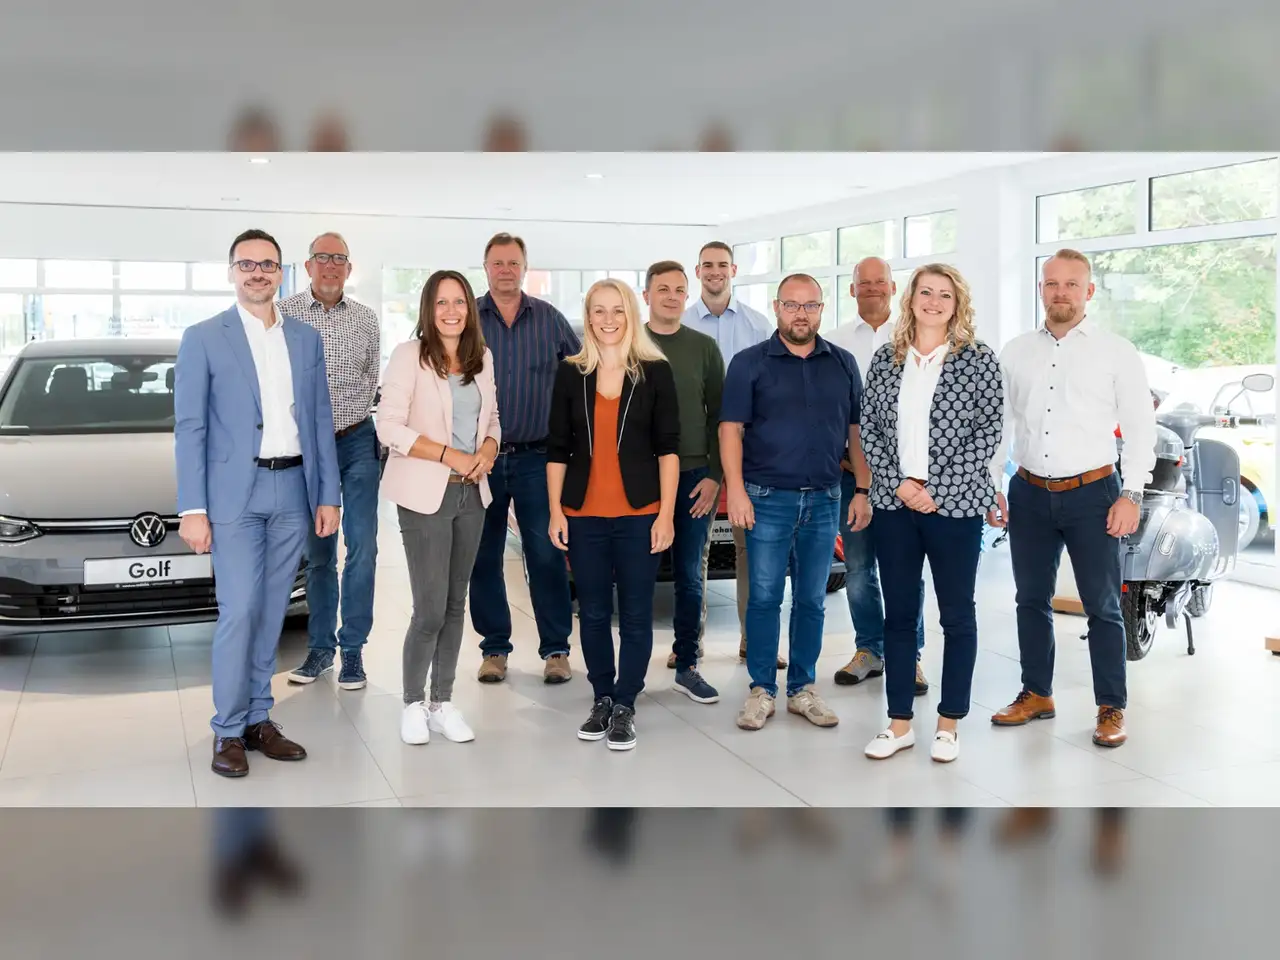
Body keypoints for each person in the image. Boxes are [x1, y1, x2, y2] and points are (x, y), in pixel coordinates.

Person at [175, 228, 340, 779]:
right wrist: (192, 508)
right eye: (247, 264)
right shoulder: (204, 338)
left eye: (267, 264)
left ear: (280, 273)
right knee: (240, 610)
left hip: (292, 489)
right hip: (234, 495)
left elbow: (319, 421)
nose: (257, 273)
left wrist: (328, 495)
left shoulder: (306, 339)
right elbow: (190, 428)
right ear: (231, 272)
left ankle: (258, 720)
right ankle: (227, 728)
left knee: (273, 612)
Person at [987, 248, 1156, 748]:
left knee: (1102, 605)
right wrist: (991, 484)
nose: (1060, 292)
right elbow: (1000, 424)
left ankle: (1111, 706)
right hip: (1029, 493)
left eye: (1071, 284)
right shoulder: (1016, 351)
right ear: (1041, 289)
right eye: (1052, 283)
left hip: (1094, 495)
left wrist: (1132, 493)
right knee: (1029, 599)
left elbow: (1140, 428)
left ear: (1089, 291)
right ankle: (1037, 693)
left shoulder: (1115, 351)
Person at [858, 265, 1004, 762]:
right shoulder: (887, 358)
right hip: (894, 505)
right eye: (926, 292)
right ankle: (899, 723)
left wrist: (935, 489)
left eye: (945, 295)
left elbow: (988, 432)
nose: (934, 301)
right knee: (899, 615)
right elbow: (869, 429)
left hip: (955, 507)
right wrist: (900, 484)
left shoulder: (979, 359)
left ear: (957, 304)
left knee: (957, 615)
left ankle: (949, 724)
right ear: (911, 299)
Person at [719, 273, 872, 731]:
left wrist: (862, 489)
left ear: (822, 309)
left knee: (811, 600)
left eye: (809, 305)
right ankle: (762, 689)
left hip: (825, 499)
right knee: (765, 597)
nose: (800, 314)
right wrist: (736, 491)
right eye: (791, 305)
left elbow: (855, 433)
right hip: (766, 499)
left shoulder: (842, 363)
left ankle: (802, 688)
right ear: (777, 307)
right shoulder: (749, 363)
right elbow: (730, 430)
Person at [547, 279, 680, 751]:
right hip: (583, 514)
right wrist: (555, 511)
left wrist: (666, 515)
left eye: (617, 310)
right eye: (599, 310)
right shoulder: (571, 373)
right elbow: (557, 450)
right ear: (587, 317)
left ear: (631, 315)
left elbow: (668, 450)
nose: (608, 319)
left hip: (640, 514)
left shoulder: (655, 372)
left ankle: (626, 703)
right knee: (594, 612)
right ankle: (602, 697)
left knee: (638, 614)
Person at [377, 271, 501, 746]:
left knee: (454, 605)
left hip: (472, 495)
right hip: (424, 495)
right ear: (428, 309)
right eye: (442, 303)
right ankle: (412, 703)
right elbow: (389, 427)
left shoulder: (481, 357)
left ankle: (441, 703)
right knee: (429, 609)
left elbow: (493, 419)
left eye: (460, 302)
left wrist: (488, 448)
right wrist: (450, 455)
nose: (451, 311)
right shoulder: (409, 355)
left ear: (470, 309)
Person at [469, 233, 582, 684]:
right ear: (486, 267)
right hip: (481, 461)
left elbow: (581, 375)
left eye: (513, 263)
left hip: (539, 458)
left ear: (524, 267)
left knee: (547, 554)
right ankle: (494, 648)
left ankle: (556, 649)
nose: (505, 270)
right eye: (497, 263)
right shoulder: (468, 318)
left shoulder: (549, 319)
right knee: (484, 556)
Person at [282, 232, 382, 692]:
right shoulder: (284, 315)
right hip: (307, 448)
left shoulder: (365, 318)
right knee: (319, 552)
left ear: (349, 268)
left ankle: (353, 650)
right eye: (322, 257)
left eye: (339, 258)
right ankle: (320, 648)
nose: (330, 265)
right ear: (307, 266)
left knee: (363, 546)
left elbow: (370, 378)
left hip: (358, 440)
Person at [825, 257, 929, 694]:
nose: (871, 289)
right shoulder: (833, 342)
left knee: (904, 567)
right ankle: (869, 648)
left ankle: (911, 655)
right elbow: (828, 410)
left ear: (892, 287)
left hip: (905, 477)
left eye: (879, 282)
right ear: (852, 290)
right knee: (859, 566)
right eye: (863, 283)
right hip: (852, 476)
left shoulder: (915, 337)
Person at [681, 240, 783, 669]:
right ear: (698, 271)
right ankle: (690, 642)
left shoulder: (758, 324)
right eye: (707, 265)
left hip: (748, 451)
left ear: (734, 270)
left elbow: (772, 389)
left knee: (750, 549)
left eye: (722, 264)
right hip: (697, 452)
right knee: (694, 550)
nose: (715, 271)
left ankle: (752, 640)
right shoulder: (681, 324)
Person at [643, 260, 724, 703]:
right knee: (639, 574)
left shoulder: (704, 348)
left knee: (690, 575)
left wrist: (714, 475)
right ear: (647, 295)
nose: (672, 297)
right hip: (641, 478)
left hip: (695, 477)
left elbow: (720, 418)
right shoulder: (629, 344)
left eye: (679, 290)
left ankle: (687, 664)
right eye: (663, 289)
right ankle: (632, 669)